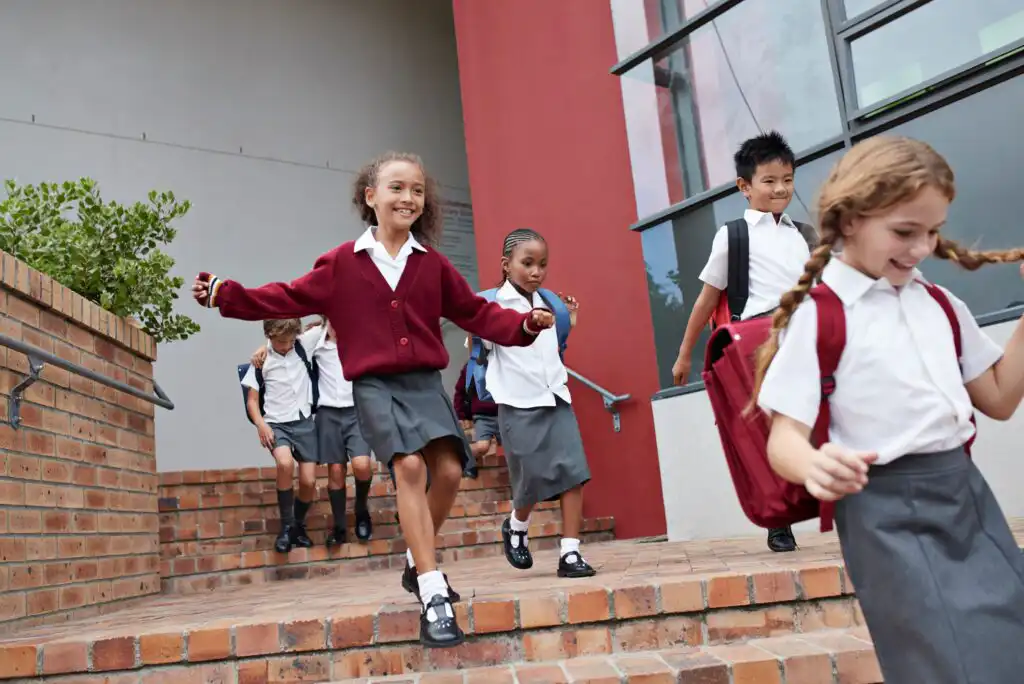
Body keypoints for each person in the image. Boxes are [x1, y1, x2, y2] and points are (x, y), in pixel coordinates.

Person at [192, 151, 554, 649]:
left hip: (424, 383)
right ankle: (432, 592)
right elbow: (287, 297)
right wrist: (225, 294)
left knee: (448, 471)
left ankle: (414, 560)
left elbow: (475, 312)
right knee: (408, 468)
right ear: (371, 196)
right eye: (397, 188)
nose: (409, 198)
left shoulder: (432, 265)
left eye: (418, 191)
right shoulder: (343, 263)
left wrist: (522, 325)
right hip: (375, 386)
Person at [752, 135, 1024, 683]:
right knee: (947, 662)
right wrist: (812, 466)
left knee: (1010, 645)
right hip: (885, 512)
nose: (922, 247)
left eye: (932, 231)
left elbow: (998, 399)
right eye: (905, 232)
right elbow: (784, 439)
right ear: (849, 219)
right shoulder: (822, 315)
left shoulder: (940, 304)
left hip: (967, 499)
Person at [671, 130, 813, 553]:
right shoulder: (733, 236)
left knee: (817, 421)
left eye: (787, 179)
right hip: (758, 341)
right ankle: (779, 519)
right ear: (744, 187)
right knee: (771, 429)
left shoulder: (804, 234)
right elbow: (706, 299)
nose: (781, 188)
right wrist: (684, 355)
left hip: (805, 337)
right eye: (769, 181)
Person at [479, 228, 594, 578]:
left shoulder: (550, 303)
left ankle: (570, 553)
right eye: (527, 263)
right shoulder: (491, 307)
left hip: (555, 395)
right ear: (506, 264)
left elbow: (555, 348)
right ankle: (517, 526)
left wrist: (568, 320)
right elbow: (484, 348)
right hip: (517, 402)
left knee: (574, 475)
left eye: (542, 264)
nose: (536, 271)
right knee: (529, 479)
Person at [251, 316, 374, 546]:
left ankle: (361, 511)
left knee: (361, 465)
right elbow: (284, 338)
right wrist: (264, 348)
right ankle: (337, 528)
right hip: (325, 414)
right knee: (335, 471)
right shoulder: (315, 341)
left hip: (354, 412)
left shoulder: (357, 336)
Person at [241, 318, 318, 554]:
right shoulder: (261, 361)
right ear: (269, 336)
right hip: (276, 423)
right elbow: (252, 400)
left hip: (304, 421)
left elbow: (328, 323)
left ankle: (298, 526)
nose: (285, 346)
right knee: (284, 464)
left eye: (288, 341)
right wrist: (261, 425)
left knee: (309, 481)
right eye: (279, 342)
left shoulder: (304, 345)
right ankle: (286, 527)